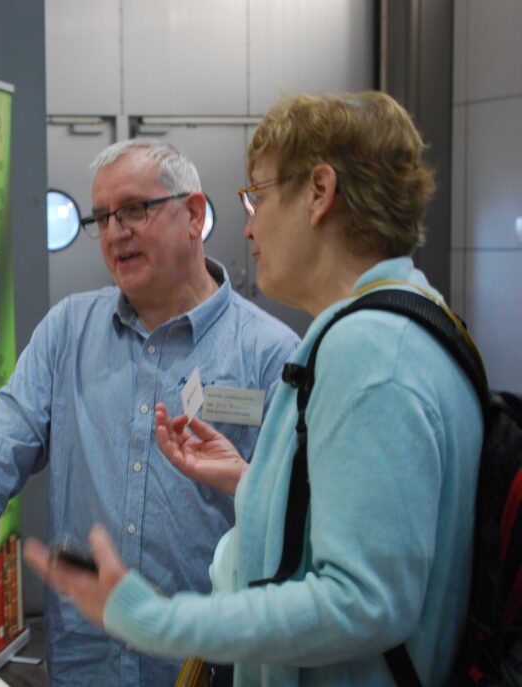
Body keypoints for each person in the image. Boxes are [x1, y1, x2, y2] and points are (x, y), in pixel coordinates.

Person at [24, 92, 483, 686]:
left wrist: (160, 621)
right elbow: (375, 527)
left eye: (259, 195)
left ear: (319, 192)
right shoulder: (417, 318)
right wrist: (253, 484)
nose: (248, 226)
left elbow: (365, 602)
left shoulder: (370, 351)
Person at [0, 140, 299, 685]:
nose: (114, 232)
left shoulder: (271, 353)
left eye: (134, 210)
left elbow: (290, 520)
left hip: (206, 657)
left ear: (194, 214)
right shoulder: (68, 332)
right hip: (87, 654)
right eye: (101, 217)